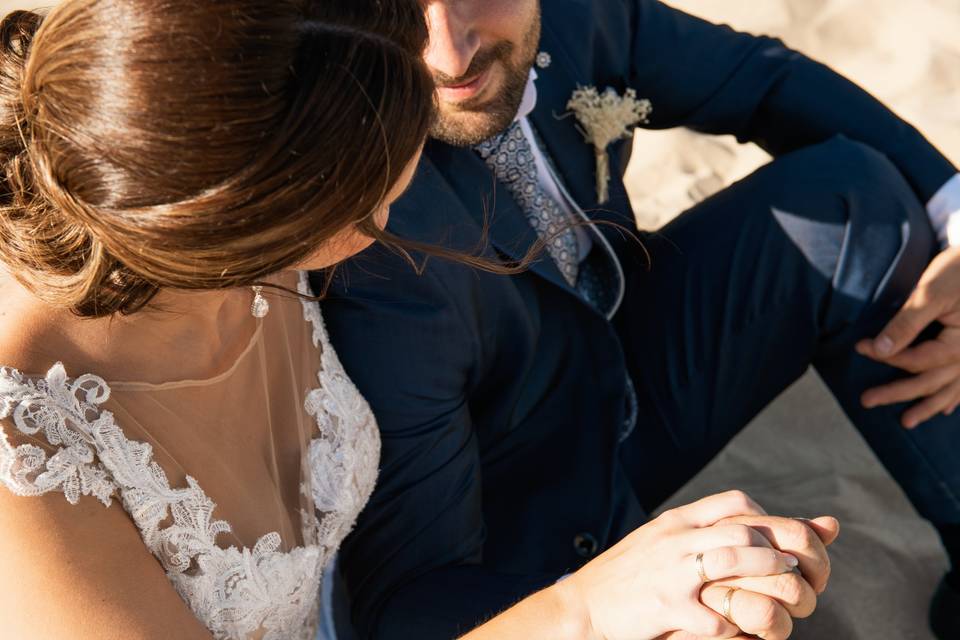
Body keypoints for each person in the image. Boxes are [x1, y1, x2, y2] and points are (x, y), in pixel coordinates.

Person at [0, 1, 836, 639]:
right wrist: (586, 610)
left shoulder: (237, 208)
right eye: (383, 202)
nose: (401, 216)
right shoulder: (27, 463)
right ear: (270, 220)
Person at [319, 0, 960, 638]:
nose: (450, 56)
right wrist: (599, 604)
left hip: (622, 364)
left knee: (859, 200)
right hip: (517, 525)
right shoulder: (370, 247)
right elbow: (409, 600)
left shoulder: (573, 16)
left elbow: (764, 79)